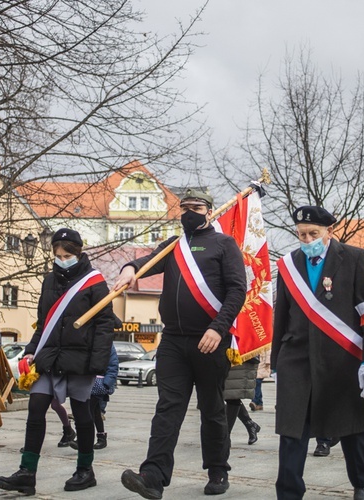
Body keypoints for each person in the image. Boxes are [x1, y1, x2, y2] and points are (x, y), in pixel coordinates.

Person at [115, 188, 247, 499]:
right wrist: (129, 269)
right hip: (173, 340)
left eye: (196, 206)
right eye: (184, 206)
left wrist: (218, 328)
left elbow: (237, 291)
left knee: (212, 408)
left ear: (209, 210)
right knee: (167, 407)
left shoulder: (225, 245)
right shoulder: (173, 246)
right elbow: (146, 262)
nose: (189, 211)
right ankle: (153, 476)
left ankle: (217, 470)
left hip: (210, 339)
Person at [272, 206, 364, 500]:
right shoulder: (288, 264)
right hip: (296, 359)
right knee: (291, 430)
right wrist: (276, 362)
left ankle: (362, 483)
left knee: (351, 427)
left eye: (313, 233)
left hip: (343, 359)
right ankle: (288, 493)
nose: (307, 239)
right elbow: (281, 314)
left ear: (329, 232)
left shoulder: (354, 258)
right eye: (301, 234)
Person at [0, 228, 115, 495]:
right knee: (36, 406)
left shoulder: (94, 282)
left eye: (67, 255)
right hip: (50, 356)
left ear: (79, 253)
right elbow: (43, 323)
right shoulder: (49, 280)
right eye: (57, 255)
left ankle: (85, 470)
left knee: (82, 412)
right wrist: (30, 350)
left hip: (81, 359)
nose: (61, 259)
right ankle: (27, 473)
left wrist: (98, 363)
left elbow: (105, 325)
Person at [224, 358, 261, 445]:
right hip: (228, 357)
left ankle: (224, 436)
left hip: (240, 356)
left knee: (232, 394)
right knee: (230, 394)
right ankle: (250, 424)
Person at [91, 343, 119, 449]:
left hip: (99, 384)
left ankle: (82, 438)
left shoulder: (107, 344)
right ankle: (101, 437)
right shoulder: (86, 339)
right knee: (95, 411)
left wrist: (107, 383)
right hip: (86, 382)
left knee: (88, 409)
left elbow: (113, 364)